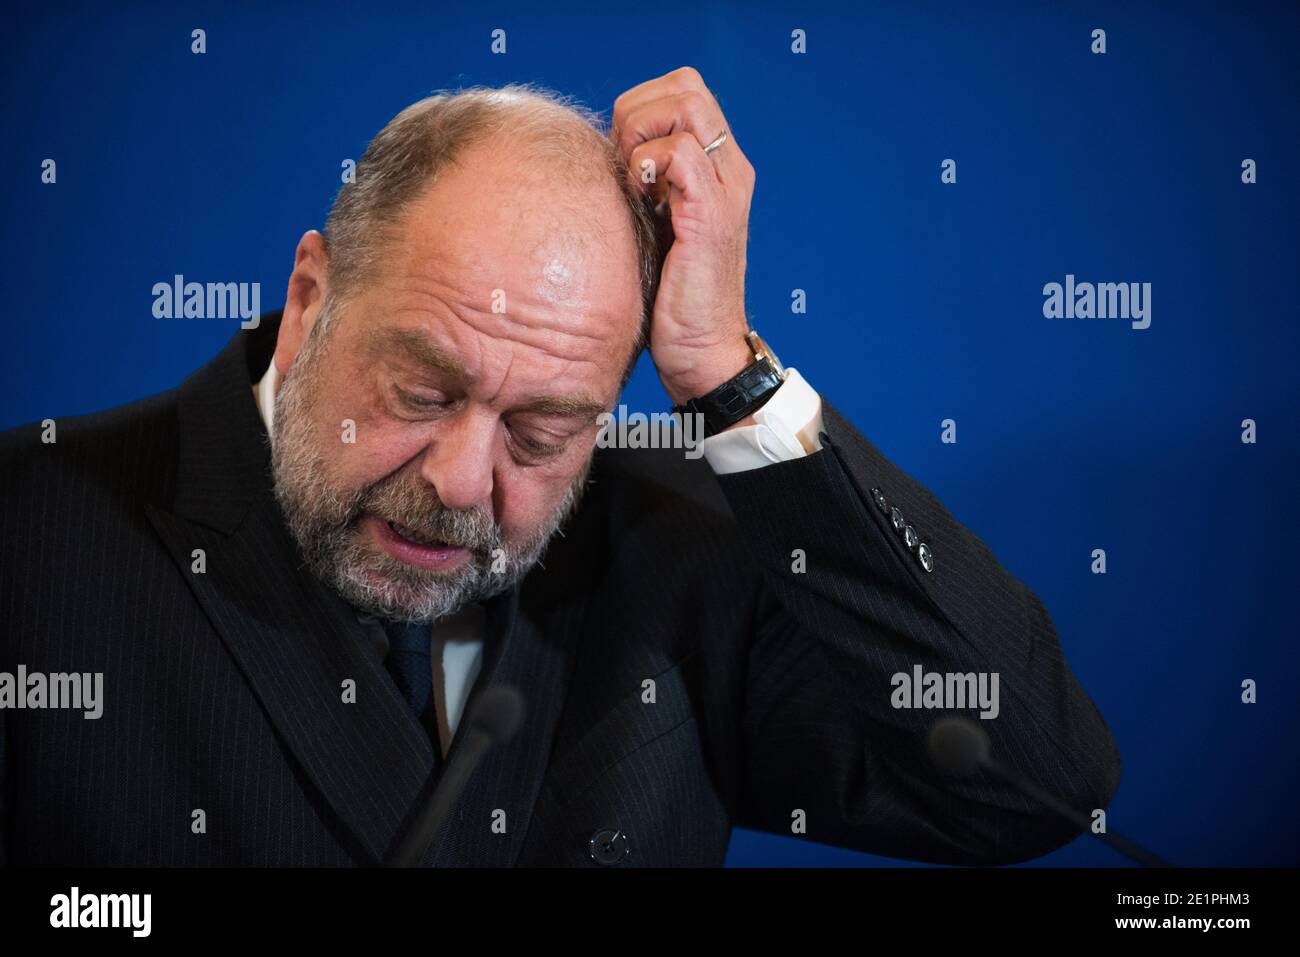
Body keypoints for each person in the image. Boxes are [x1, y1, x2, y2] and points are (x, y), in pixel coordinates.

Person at [0, 68, 1120, 866]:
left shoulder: (686, 566)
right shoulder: (32, 530)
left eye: (544, 432)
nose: (459, 481)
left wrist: (733, 386)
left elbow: (1034, 789)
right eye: (422, 391)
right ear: (309, 301)